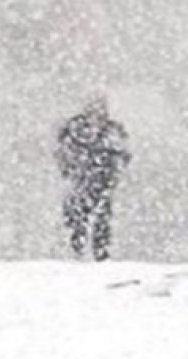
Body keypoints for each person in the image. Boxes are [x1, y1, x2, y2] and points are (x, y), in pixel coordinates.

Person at [55, 97, 131, 261]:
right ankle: (77, 253)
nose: (98, 113)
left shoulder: (111, 131)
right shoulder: (75, 130)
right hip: (82, 182)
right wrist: (72, 169)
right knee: (78, 219)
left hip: (101, 183)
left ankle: (99, 254)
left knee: (101, 220)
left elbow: (124, 154)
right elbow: (63, 154)